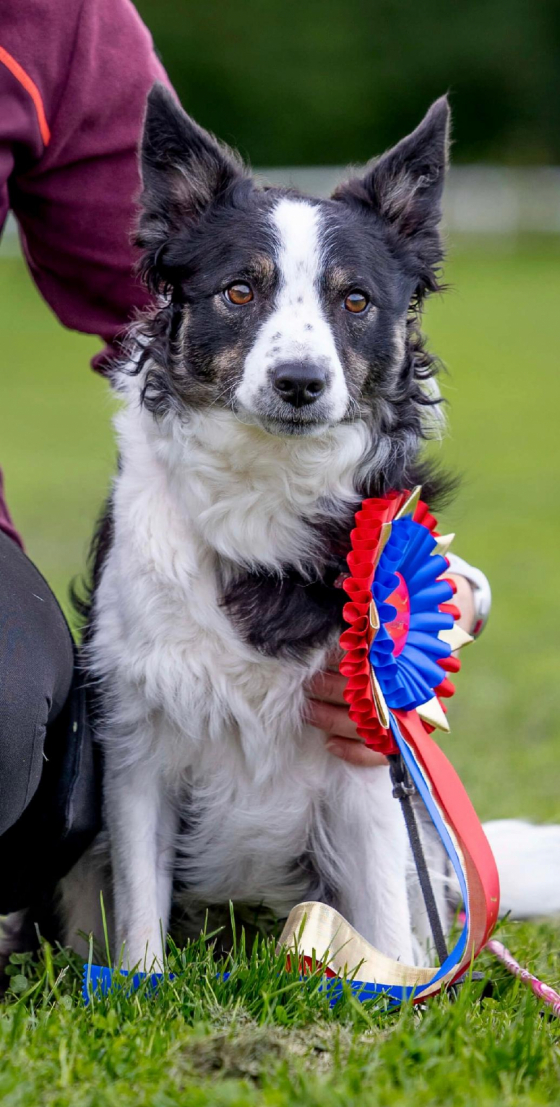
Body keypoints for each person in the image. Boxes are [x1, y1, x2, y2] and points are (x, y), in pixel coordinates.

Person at [0, 0, 490, 923]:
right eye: (243, 294)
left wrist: (440, 595)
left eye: (348, 303)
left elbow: (148, 284)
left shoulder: (57, 23)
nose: (299, 354)